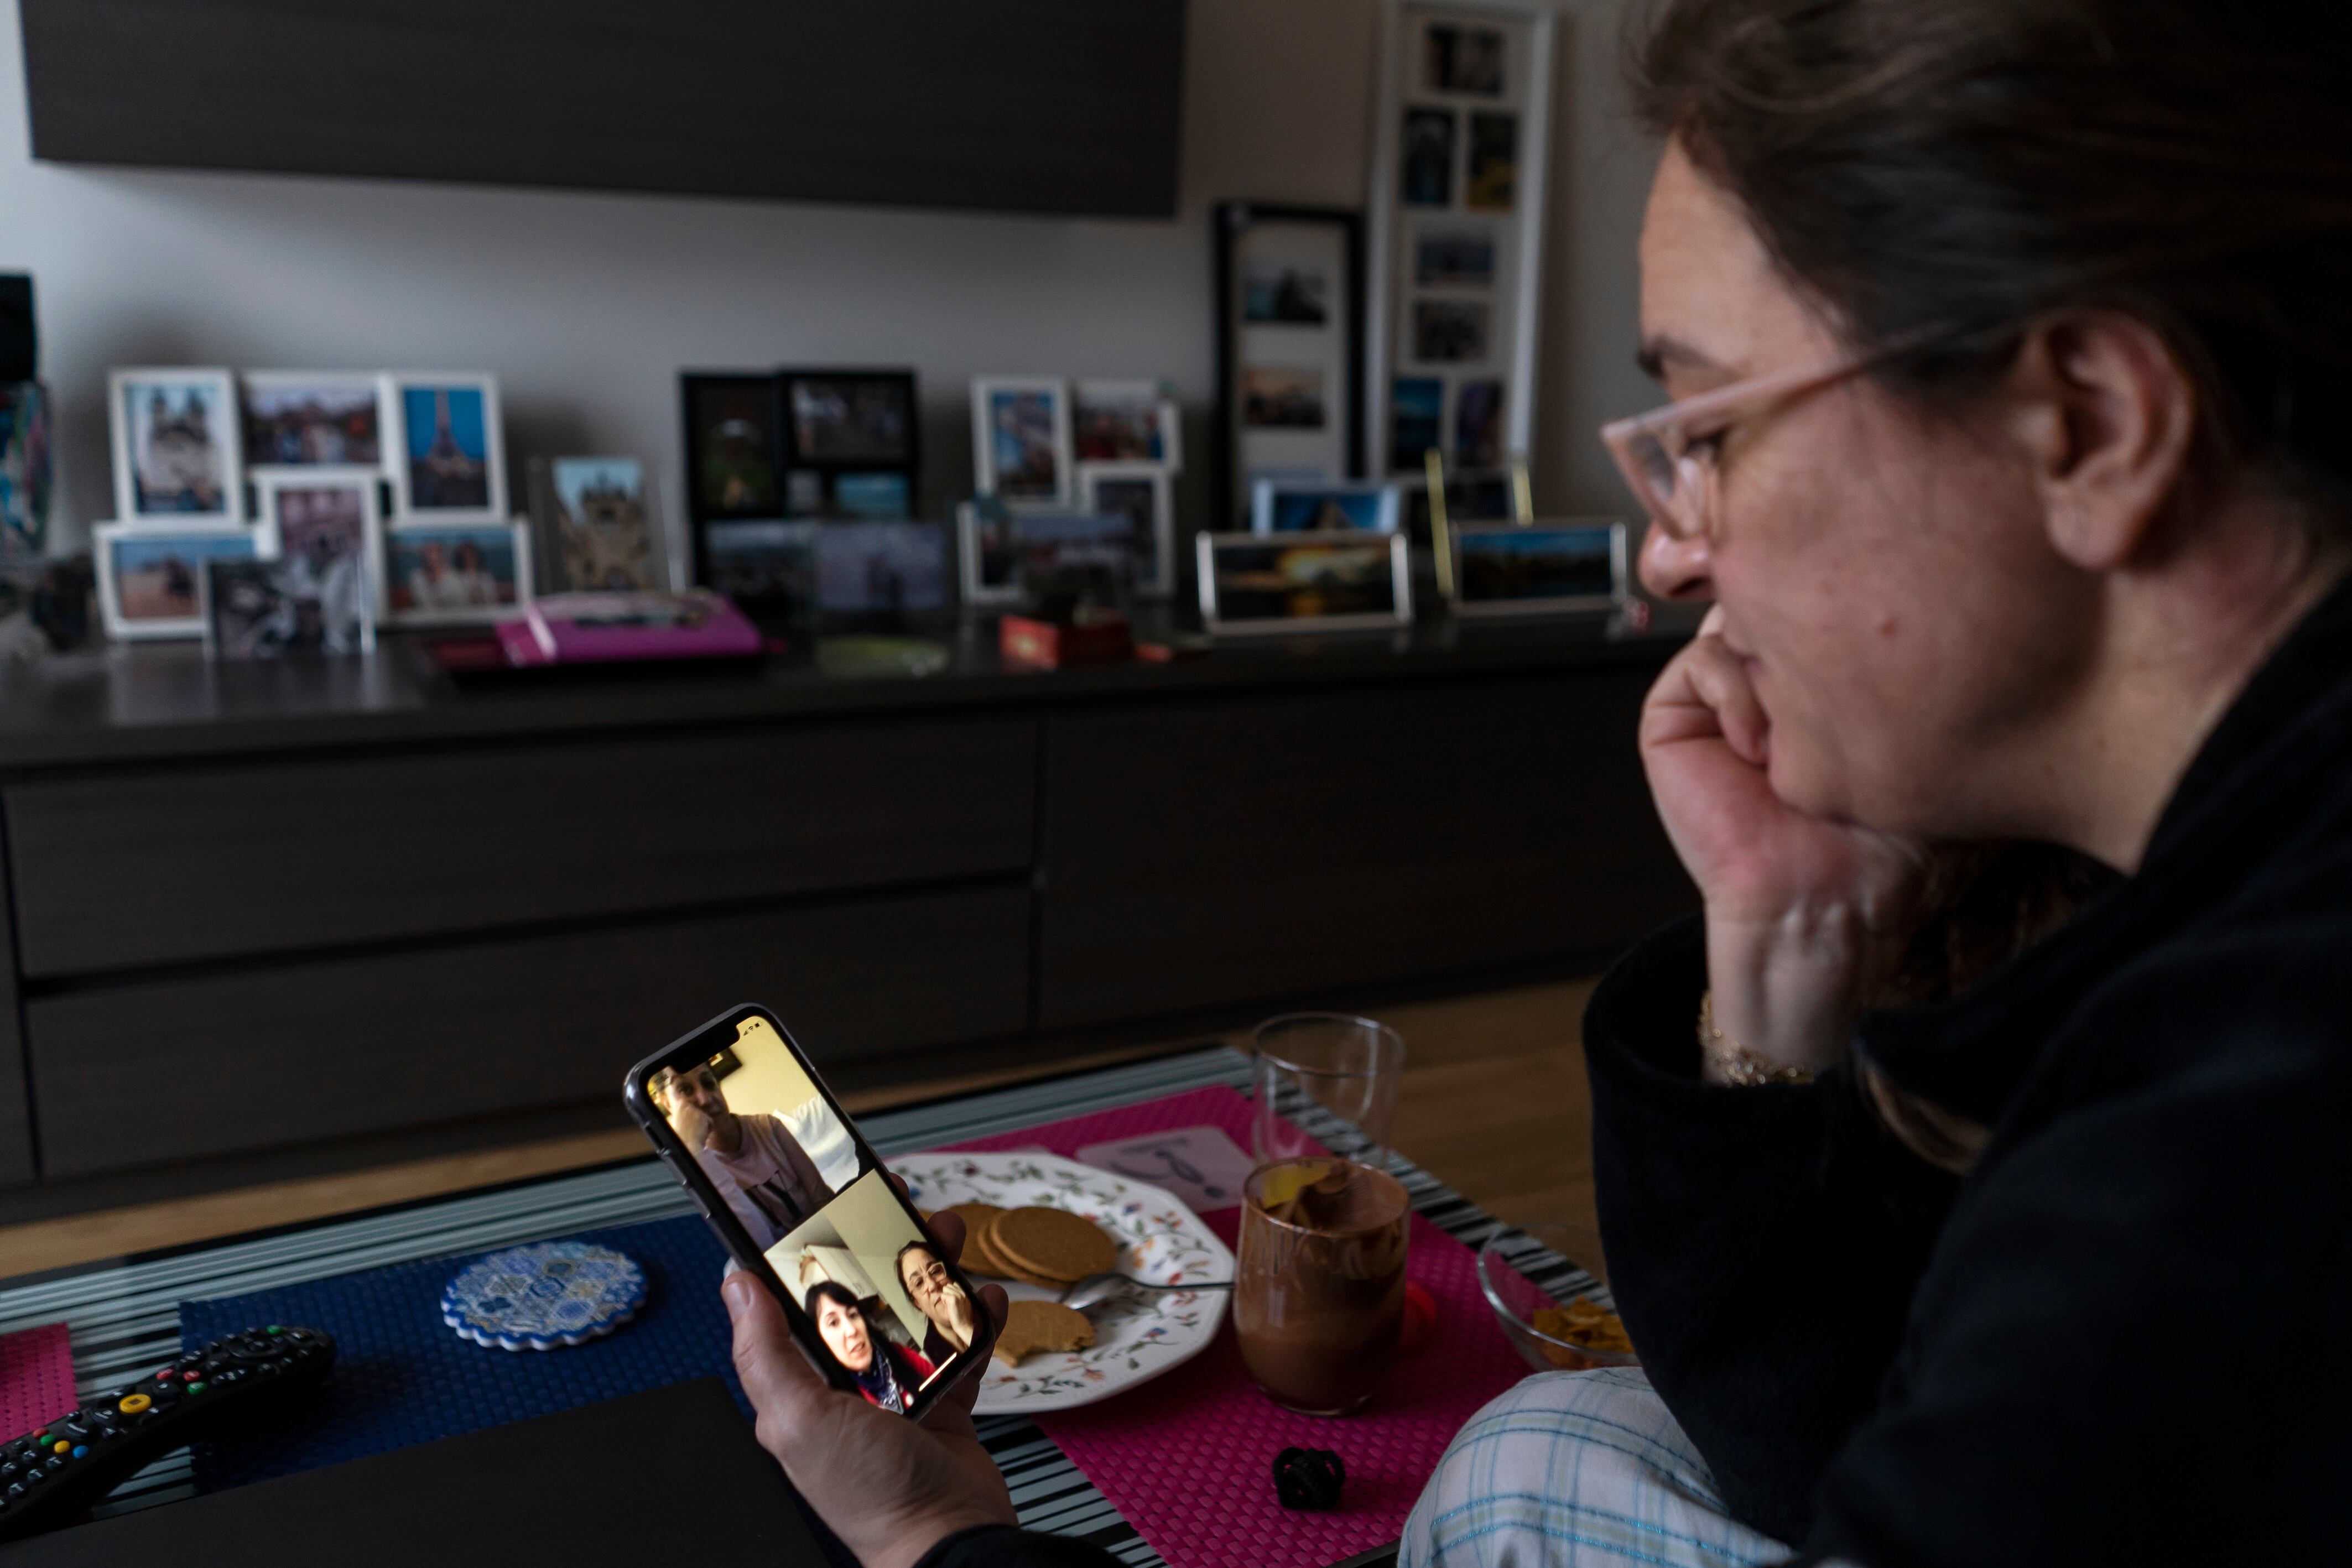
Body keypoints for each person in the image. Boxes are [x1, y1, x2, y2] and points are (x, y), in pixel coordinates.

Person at [727, 2, 2352, 1564]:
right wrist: (1782, 941)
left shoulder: (2212, 1198)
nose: (1659, 555)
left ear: (2088, 422)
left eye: (1706, 432)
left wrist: (939, 1539)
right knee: (1536, 1438)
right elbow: (1820, 1453)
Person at [653, 1064, 834, 1249]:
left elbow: (822, 1199)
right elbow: (753, 1247)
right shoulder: (688, 1170)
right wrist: (693, 1151)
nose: (705, 1099)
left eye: (708, 1083)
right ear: (666, 1102)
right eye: (685, 1089)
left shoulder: (768, 1127)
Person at [805, 1279, 936, 1415]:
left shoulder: (896, 1353)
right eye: (833, 1323)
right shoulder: (839, 1406)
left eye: (853, 1315)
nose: (851, 1330)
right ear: (819, 1341)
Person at [896, 1239, 977, 1365]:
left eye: (935, 1271)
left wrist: (964, 1326)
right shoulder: (929, 1362)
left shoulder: (983, 1302)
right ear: (917, 1303)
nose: (933, 1285)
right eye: (919, 1283)